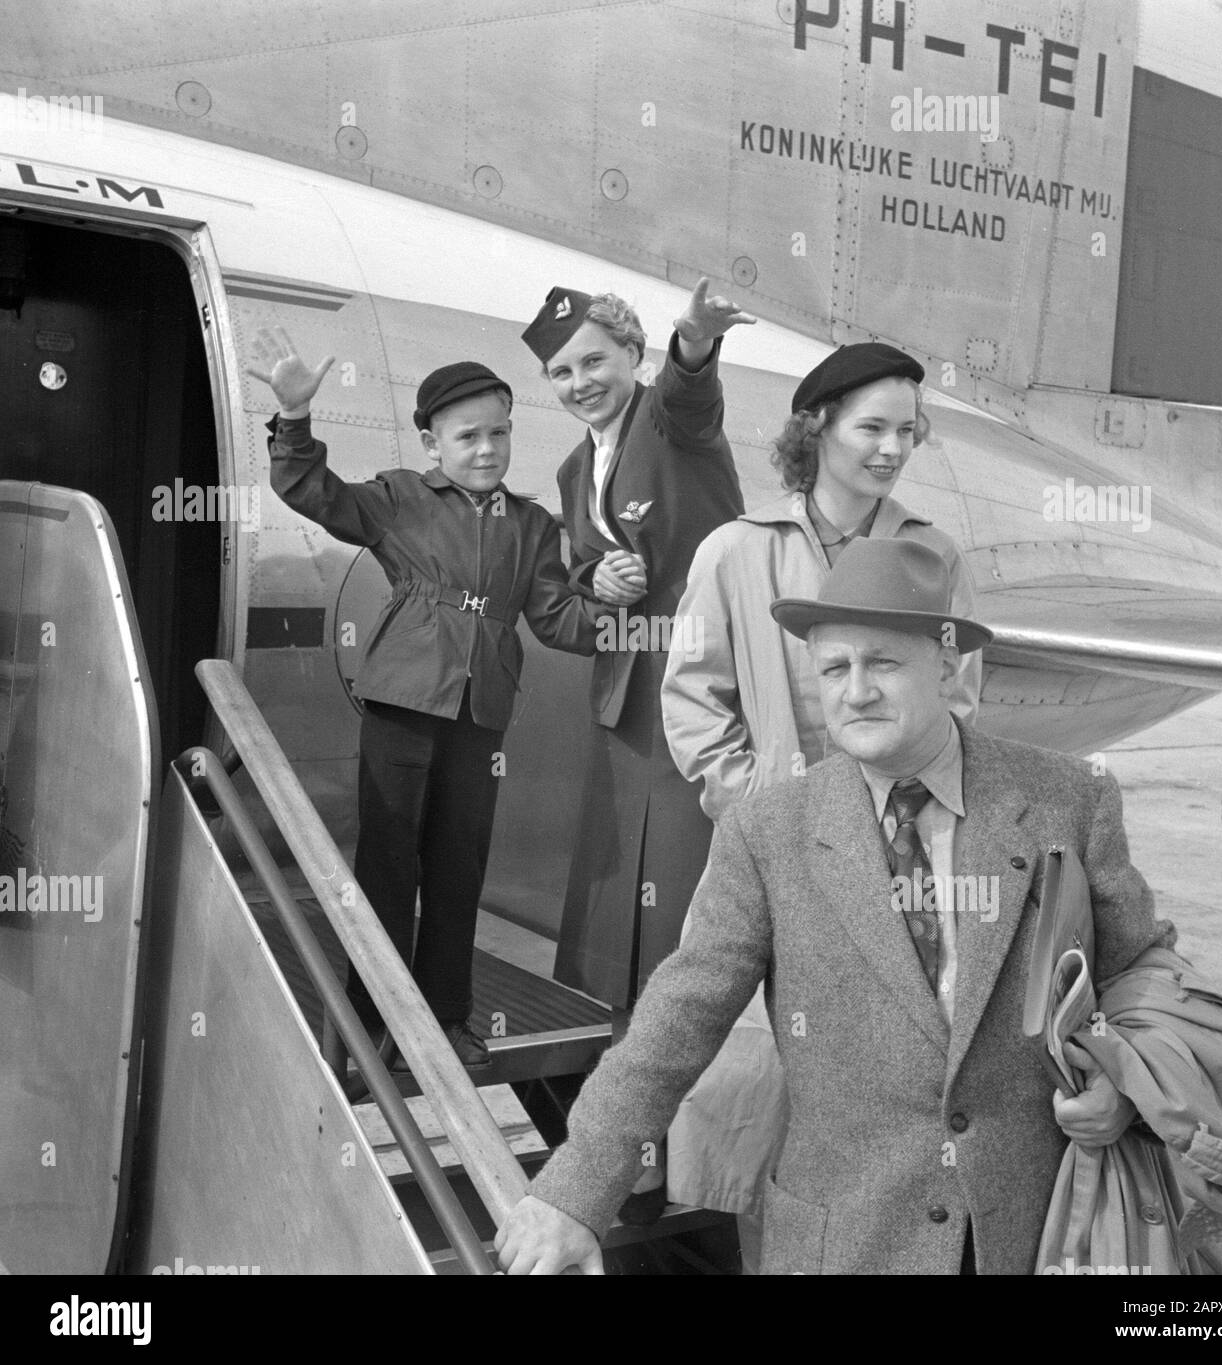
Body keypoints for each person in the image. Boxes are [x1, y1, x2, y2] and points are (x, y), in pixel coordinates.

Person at [495, 538, 1175, 1274]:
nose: (856, 691)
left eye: (883, 662)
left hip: (1034, 1234)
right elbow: (677, 1018)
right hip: (844, 1244)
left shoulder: (1065, 799)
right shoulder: (769, 832)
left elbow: (1143, 971)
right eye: (833, 668)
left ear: (946, 667)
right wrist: (573, 1192)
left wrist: (1128, 1086)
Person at [659, 342, 982, 1263]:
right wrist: (760, 810)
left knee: (901, 1102)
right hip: (781, 861)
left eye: (907, 430)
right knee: (772, 1112)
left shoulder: (932, 553)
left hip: (910, 861)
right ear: (817, 429)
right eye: (871, 427)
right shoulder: (734, 550)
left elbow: (960, 697)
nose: (891, 448)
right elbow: (691, 700)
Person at [248, 326, 612, 1069]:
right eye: (469, 436)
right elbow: (310, 490)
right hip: (403, 701)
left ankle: (445, 1017)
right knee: (388, 861)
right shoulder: (398, 497)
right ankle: (368, 1018)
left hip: (480, 713)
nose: (487, 449)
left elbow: (557, 618)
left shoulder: (535, 526)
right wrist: (294, 420)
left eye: (500, 433)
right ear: (431, 442)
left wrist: (617, 612)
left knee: (458, 866)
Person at [520, 279, 752, 1212]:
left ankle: (683, 1134)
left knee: (681, 914)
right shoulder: (581, 468)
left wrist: (695, 343)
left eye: (593, 361)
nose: (580, 381)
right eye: (561, 370)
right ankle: (616, 1112)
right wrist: (596, 576)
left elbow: (695, 396)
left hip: (694, 697)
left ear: (633, 356)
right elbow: (582, 572)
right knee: (612, 911)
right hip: (624, 706)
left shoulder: (669, 420)